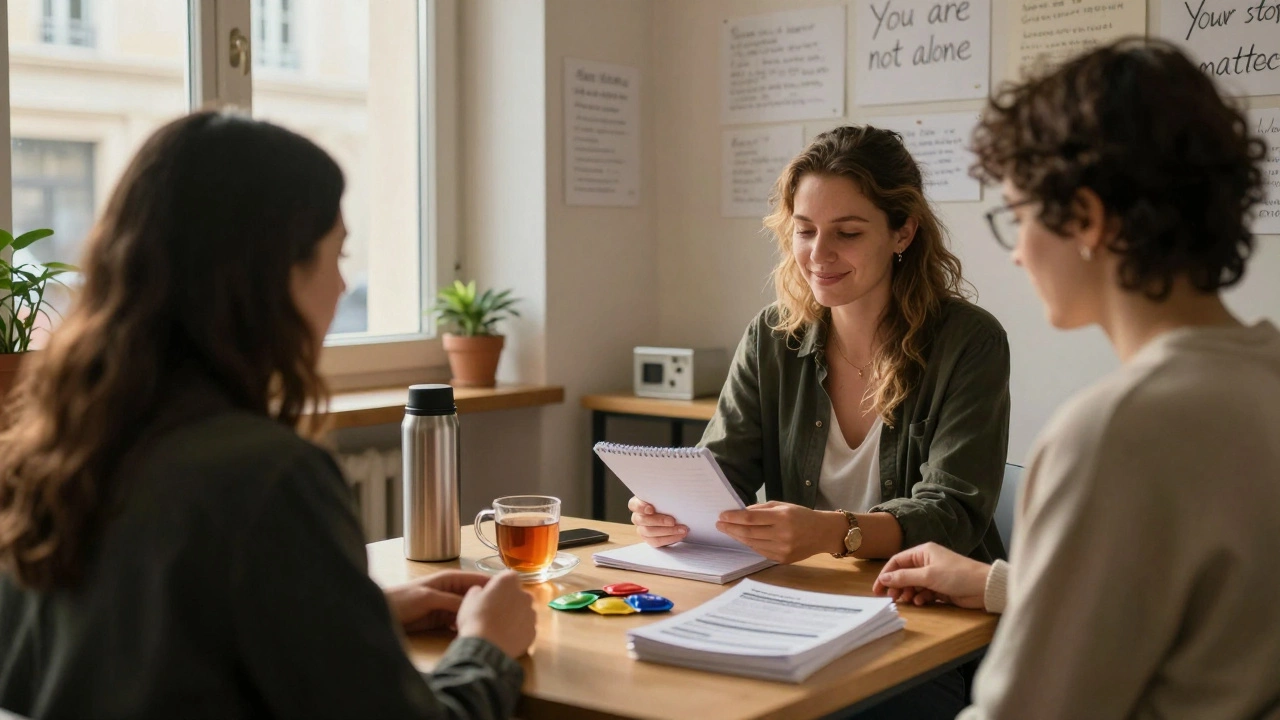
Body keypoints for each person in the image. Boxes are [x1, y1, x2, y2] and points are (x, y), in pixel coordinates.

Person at [0, 111, 536, 720]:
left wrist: (356, 612)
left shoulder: (51, 451)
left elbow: (143, 649)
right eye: (336, 256)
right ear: (269, 277)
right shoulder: (268, 476)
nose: (340, 287)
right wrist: (487, 647)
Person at [873, 39, 1280, 719]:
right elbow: (1202, 610)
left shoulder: (1116, 431)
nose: (1019, 254)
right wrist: (1003, 584)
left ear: (1087, 219)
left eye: (1019, 216)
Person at [630, 125, 1012, 718]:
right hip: (798, 611)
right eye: (804, 231)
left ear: (903, 231)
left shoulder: (968, 342)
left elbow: (953, 512)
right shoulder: (772, 336)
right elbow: (723, 467)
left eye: (848, 233)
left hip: (927, 624)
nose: (818, 254)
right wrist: (673, 507)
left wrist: (830, 532)